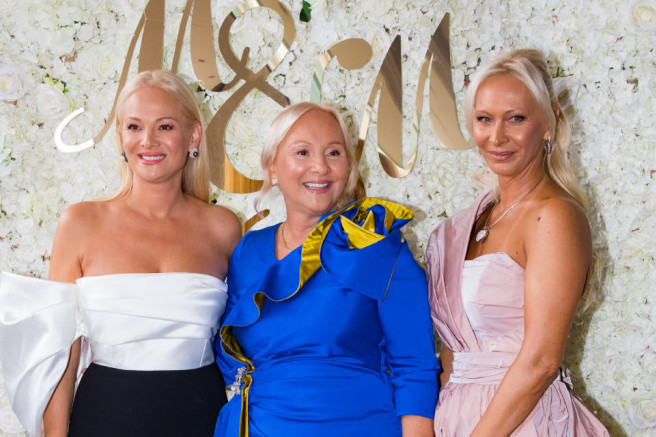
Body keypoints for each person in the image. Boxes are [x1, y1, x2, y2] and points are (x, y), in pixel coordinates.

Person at [0, 70, 241, 437]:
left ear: (193, 136)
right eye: (134, 126)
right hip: (104, 417)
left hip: (201, 417)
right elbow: (61, 355)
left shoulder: (223, 227)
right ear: (120, 136)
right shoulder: (80, 223)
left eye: (164, 126)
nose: (147, 140)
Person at [215, 102, 439, 437]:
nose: (320, 166)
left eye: (333, 153)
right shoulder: (248, 251)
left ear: (348, 167)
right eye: (302, 152)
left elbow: (415, 367)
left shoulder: (377, 245)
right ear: (272, 167)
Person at [425, 49, 610, 436]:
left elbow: (541, 361)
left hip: (523, 422)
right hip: (454, 417)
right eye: (484, 119)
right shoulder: (469, 221)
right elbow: (452, 351)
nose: (497, 137)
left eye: (516, 119)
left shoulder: (554, 216)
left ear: (548, 126)